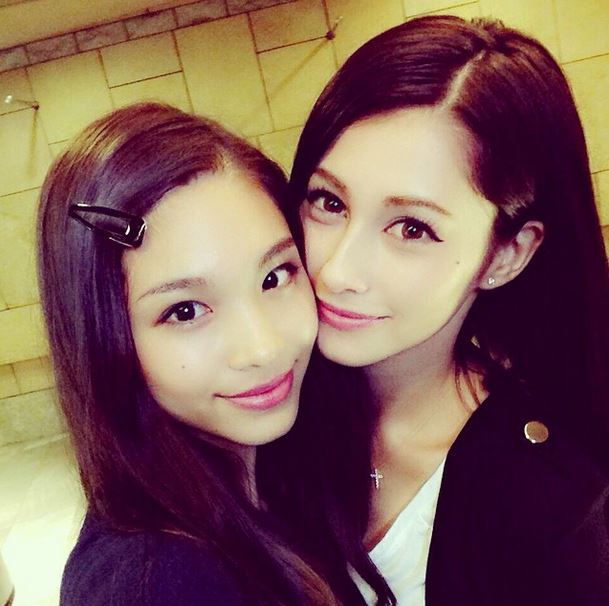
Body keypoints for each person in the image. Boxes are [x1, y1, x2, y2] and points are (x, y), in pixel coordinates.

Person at [264, 15, 609, 606]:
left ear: (506, 254)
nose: (337, 271)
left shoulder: (552, 506)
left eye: (412, 228)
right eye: (328, 202)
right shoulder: (264, 412)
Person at [37, 102, 340, 606]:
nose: (263, 347)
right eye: (185, 311)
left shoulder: (272, 473)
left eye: (275, 276)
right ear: (105, 339)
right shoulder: (155, 583)